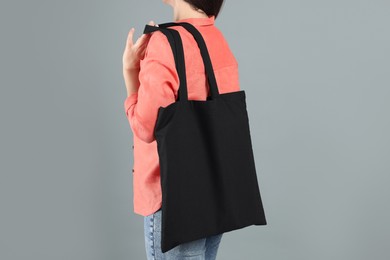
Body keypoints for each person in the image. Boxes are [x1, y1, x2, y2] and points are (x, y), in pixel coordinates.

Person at [122, 0, 239, 259]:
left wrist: (131, 74)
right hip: (212, 191)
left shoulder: (164, 43)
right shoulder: (216, 38)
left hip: (173, 197)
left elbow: (146, 127)